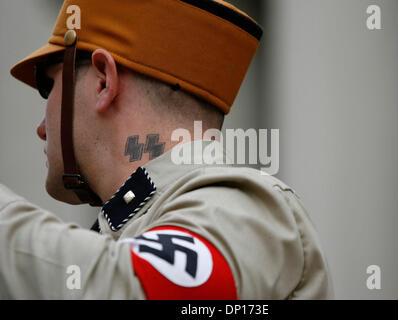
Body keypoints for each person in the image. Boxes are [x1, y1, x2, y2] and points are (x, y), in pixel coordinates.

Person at [0, 0, 333, 299]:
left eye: (49, 88)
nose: (41, 127)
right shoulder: (147, 218)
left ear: (104, 81)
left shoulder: (232, 204)